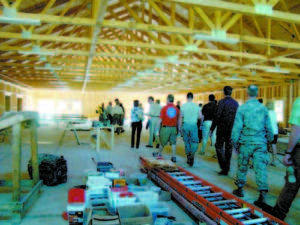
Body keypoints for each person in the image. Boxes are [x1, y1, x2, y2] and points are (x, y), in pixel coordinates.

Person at [231, 85, 273, 207]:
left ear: (247, 93)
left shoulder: (242, 108)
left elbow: (237, 127)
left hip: (246, 142)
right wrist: (269, 140)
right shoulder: (263, 109)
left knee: (242, 166)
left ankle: (239, 189)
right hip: (260, 143)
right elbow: (269, 127)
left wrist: (234, 141)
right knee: (260, 168)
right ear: (258, 93)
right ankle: (262, 193)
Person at [264, 97, 300, 220]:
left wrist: (288, 152)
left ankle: (279, 213)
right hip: (274, 132)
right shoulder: (273, 112)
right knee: (273, 145)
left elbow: (296, 129)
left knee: (292, 182)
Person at [210, 86, 239, 175]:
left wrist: (212, 128)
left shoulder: (222, 102)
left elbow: (217, 116)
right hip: (231, 129)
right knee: (228, 148)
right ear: (231, 92)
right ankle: (227, 167)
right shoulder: (236, 103)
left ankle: (224, 166)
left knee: (219, 146)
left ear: (224, 92)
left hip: (222, 128)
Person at [153, 94, 180, 163]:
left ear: (168, 100)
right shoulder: (176, 109)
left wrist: (156, 127)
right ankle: (173, 157)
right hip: (174, 128)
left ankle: (159, 154)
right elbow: (178, 120)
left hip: (165, 128)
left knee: (162, 142)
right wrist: (179, 128)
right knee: (173, 143)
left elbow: (160, 119)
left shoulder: (164, 108)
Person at [178, 92, 202, 166]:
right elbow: (200, 116)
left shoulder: (183, 106)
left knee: (187, 141)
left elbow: (180, 117)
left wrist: (179, 127)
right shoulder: (196, 106)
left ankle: (188, 157)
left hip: (185, 125)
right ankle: (192, 154)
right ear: (192, 98)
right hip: (193, 125)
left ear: (187, 98)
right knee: (194, 141)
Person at [266, 101, 278, 166]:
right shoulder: (274, 113)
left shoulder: (267, 113)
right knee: (273, 146)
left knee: (264, 147)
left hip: (269, 132)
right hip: (275, 132)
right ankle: (274, 161)